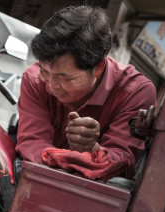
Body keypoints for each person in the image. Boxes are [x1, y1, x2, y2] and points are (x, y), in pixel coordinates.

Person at [15, 5, 157, 179]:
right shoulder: (34, 79)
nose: (52, 85)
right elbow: (32, 145)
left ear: (98, 68)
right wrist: (87, 160)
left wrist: (92, 149)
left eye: (65, 77)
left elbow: (121, 163)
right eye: (45, 71)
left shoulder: (135, 92)